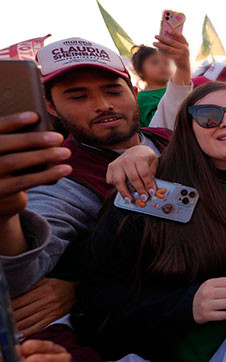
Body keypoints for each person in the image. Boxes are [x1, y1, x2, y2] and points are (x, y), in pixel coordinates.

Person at [72, 82, 226, 362]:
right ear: (187, 129)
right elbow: (93, 304)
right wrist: (184, 304)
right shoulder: (149, 193)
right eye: (208, 115)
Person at [0, 38, 173, 338]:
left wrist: (81, 284)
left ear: (133, 93)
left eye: (112, 91)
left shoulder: (169, 138)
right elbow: (26, 272)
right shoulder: (60, 176)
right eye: (78, 96)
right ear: (51, 107)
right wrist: (5, 215)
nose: (103, 105)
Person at [131, 45, 174, 127]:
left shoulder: (175, 89)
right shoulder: (143, 98)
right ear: (140, 71)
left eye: (166, 63)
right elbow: (156, 126)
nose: (163, 66)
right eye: (155, 62)